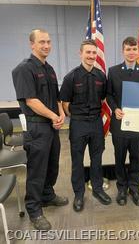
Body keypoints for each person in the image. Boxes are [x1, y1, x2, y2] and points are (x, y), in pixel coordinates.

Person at [12, 29, 68, 230]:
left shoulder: (49, 68)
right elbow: (31, 101)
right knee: (37, 170)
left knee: (52, 165)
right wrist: (54, 116)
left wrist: (61, 113)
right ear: (32, 44)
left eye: (49, 42)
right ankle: (34, 209)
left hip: (52, 125)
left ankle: (47, 195)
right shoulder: (24, 69)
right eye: (42, 42)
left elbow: (56, 96)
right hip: (37, 126)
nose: (46, 45)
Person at [60, 39, 112, 212]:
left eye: (93, 53)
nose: (91, 56)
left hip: (96, 123)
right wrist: (77, 117)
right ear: (80, 53)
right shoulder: (71, 77)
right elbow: (65, 103)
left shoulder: (101, 76)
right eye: (88, 52)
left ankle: (97, 189)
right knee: (77, 161)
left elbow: (103, 98)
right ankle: (79, 194)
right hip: (79, 124)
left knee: (97, 159)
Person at [106, 36, 139, 206]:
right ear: (122, 51)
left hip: (138, 124)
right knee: (119, 157)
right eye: (128, 49)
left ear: (138, 51)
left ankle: (134, 188)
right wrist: (115, 108)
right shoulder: (113, 71)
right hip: (119, 122)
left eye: (134, 49)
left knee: (137, 157)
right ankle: (122, 189)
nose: (131, 52)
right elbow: (109, 94)